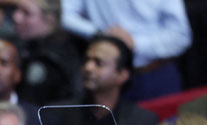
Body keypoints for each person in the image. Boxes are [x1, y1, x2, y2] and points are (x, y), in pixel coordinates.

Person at [61, 0, 192, 101]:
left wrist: (134, 43)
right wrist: (100, 33)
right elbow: (64, 14)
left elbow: (181, 35)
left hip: (152, 72)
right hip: (105, 77)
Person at [11, 0, 82, 105]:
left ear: (50, 18)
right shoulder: (27, 46)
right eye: (17, 9)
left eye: (27, 13)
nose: (16, 17)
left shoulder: (52, 59)